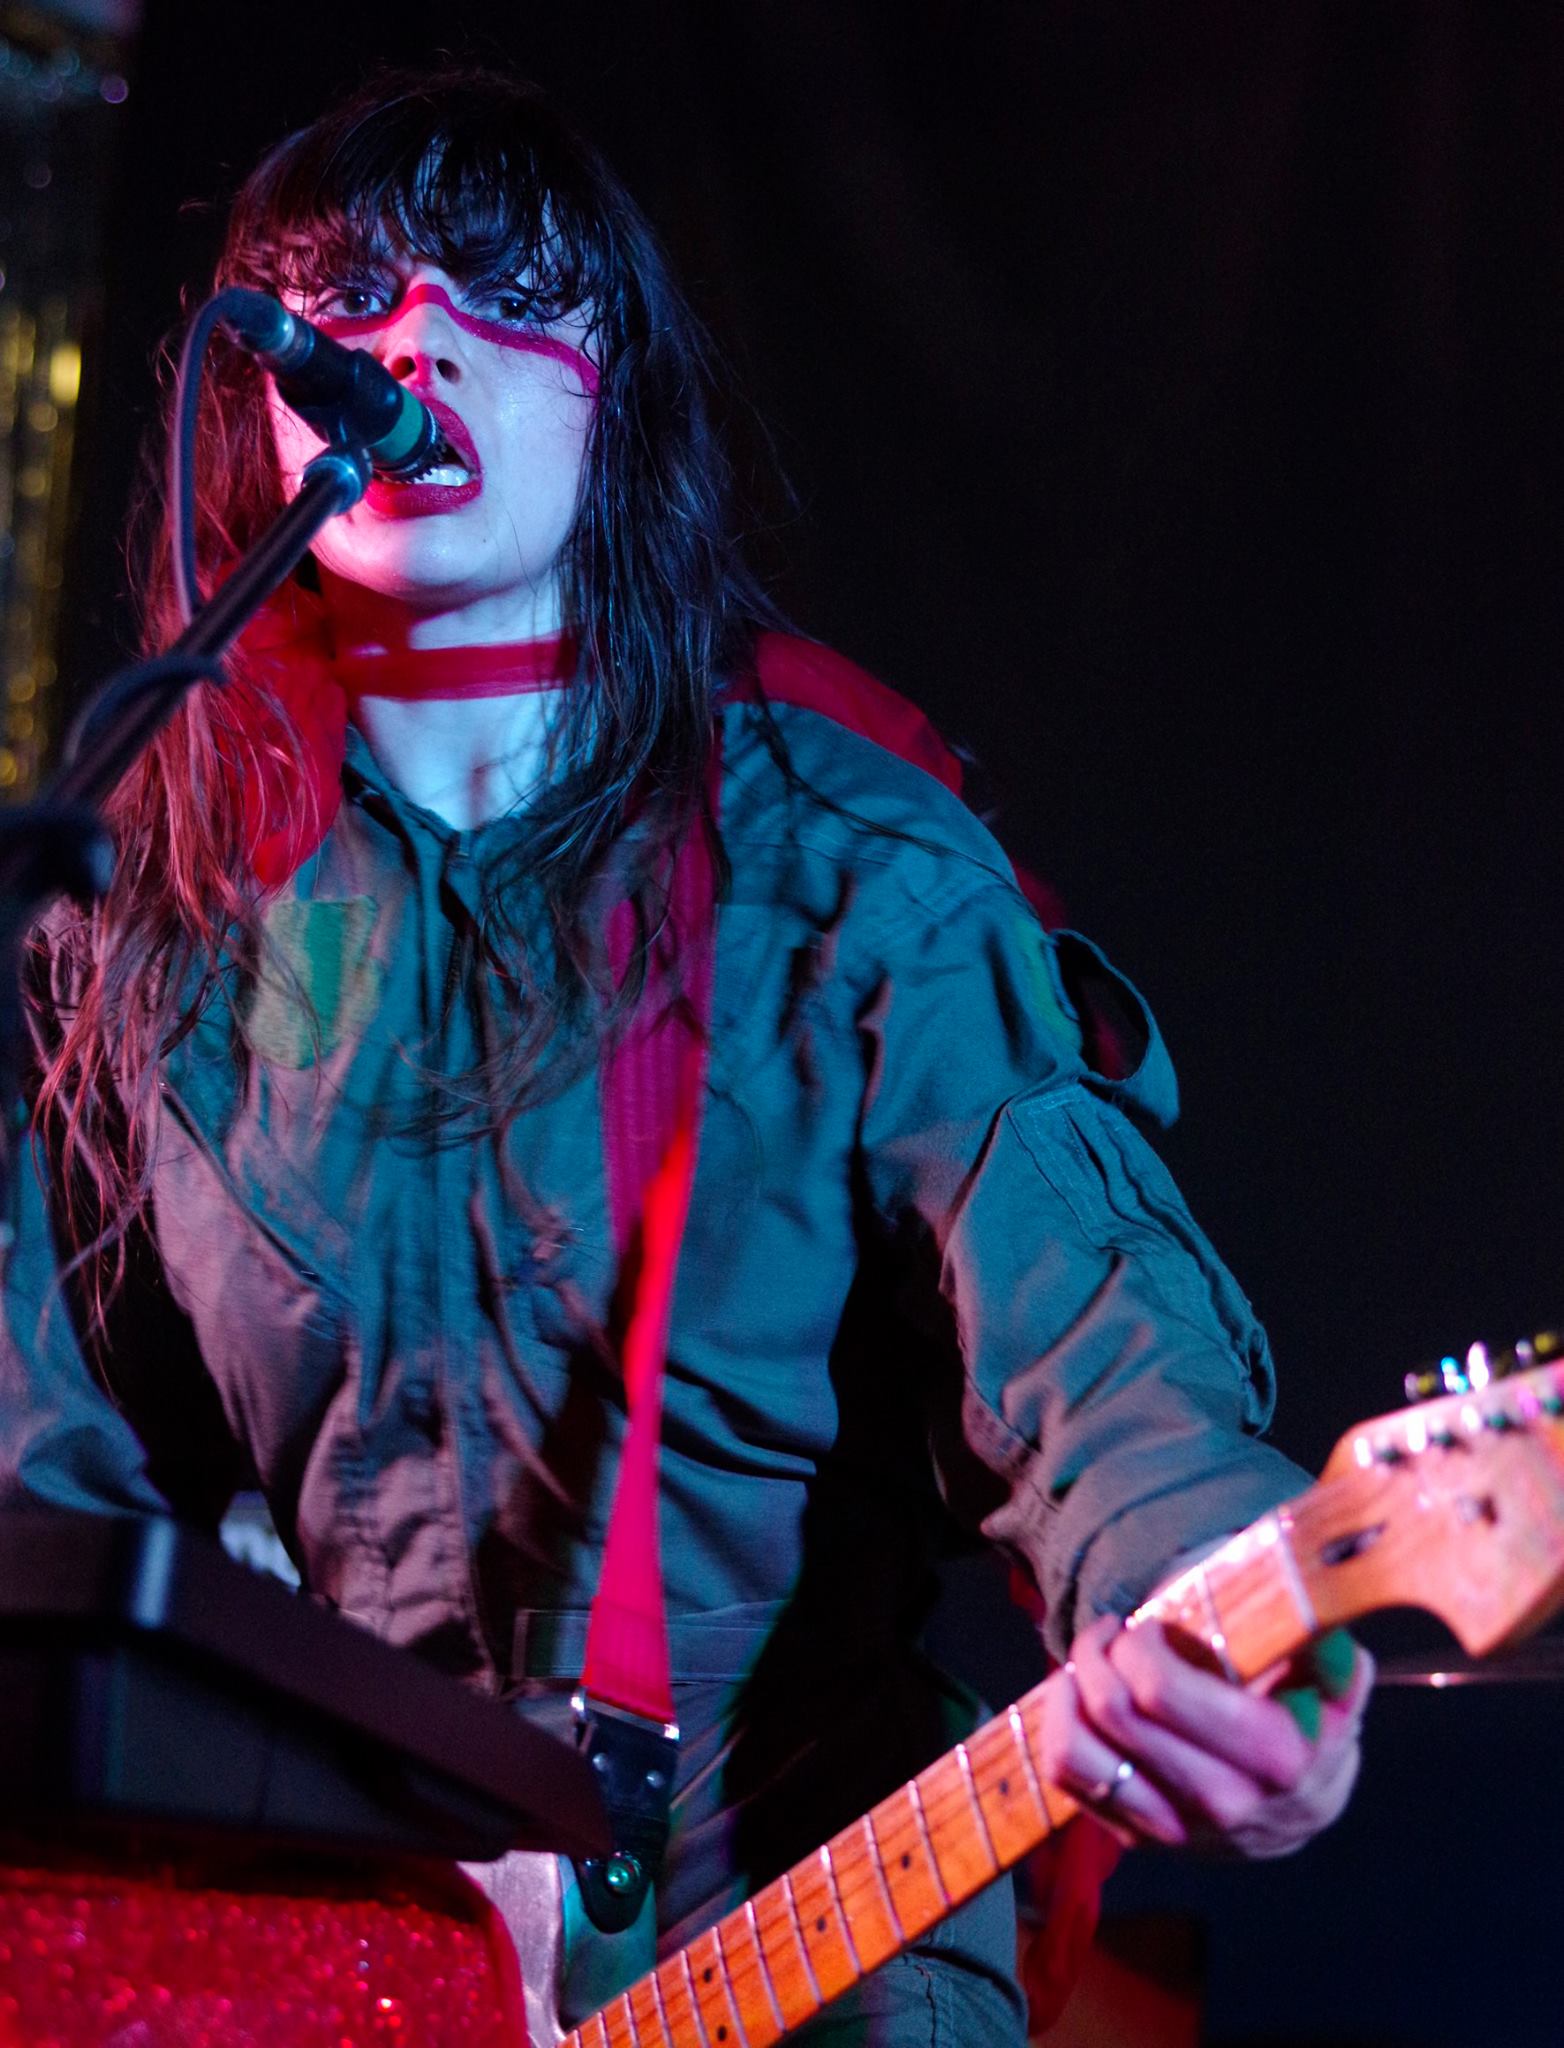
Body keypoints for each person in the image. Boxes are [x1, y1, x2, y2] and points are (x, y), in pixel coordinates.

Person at [0, 68, 1369, 2045]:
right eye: (348, 301)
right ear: (269, 404)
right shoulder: (156, 932)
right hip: (359, 1969)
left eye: (500, 293)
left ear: (618, 390)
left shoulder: (853, 874)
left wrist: (1235, 1639)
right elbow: (54, 1508)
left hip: (809, 1937)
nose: (412, 345)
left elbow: (1105, 1376)